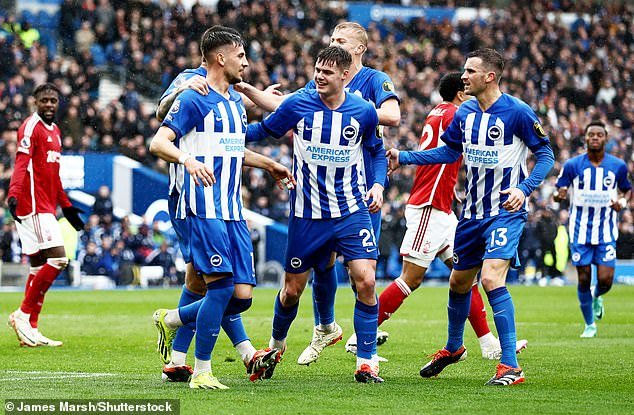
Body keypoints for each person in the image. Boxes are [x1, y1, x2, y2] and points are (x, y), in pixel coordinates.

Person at [387, 48, 555, 386]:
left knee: (492, 280)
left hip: (505, 212)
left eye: (470, 71)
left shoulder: (517, 112)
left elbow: (546, 154)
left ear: (489, 76)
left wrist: (524, 188)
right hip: (471, 215)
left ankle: (509, 366)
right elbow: (449, 151)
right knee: (459, 282)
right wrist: (404, 156)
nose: (464, 76)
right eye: (464, 71)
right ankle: (452, 347)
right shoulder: (464, 113)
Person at [237, 21, 400, 365]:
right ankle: (281, 343)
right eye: (317, 71)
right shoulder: (302, 102)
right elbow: (267, 126)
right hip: (308, 211)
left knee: (366, 279)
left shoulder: (366, 101)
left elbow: (378, 145)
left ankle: (365, 361)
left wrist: (377, 184)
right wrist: (225, 130)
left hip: (352, 208)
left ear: (346, 71)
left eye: (328, 70)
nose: (320, 76)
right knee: (294, 288)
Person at [153, 26, 294, 384]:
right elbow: (159, 137)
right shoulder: (192, 92)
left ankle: (173, 320)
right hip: (199, 203)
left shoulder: (233, 101)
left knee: (240, 295)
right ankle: (202, 368)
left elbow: (232, 150)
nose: (247, 63)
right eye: (241, 56)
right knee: (216, 285)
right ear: (221, 57)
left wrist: (271, 164)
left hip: (232, 208)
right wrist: (187, 160)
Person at [377, 72, 527, 360]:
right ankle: (363, 335)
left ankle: (488, 343)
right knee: (411, 277)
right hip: (429, 205)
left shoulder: (438, 111)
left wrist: (452, 187)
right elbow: (445, 153)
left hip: (443, 205)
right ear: (460, 93)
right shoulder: (458, 113)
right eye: (466, 85)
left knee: (464, 278)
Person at [7, 83, 85, 348]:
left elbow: (53, 176)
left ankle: (31, 328)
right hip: (33, 206)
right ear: (35, 102)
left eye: (53, 100)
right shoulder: (30, 128)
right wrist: (13, 193)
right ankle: (22, 314)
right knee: (59, 259)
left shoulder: (56, 131)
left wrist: (68, 207)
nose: (49, 104)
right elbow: (20, 164)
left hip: (47, 205)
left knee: (39, 266)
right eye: (45, 100)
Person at [554, 120, 631, 338]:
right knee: (584, 278)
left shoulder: (618, 166)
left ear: (606, 138)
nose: (595, 138)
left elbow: (626, 191)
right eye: (591, 135)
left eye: (599, 134)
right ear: (585, 138)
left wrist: (622, 203)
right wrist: (558, 195)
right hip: (579, 231)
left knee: (606, 280)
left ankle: (598, 296)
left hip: (606, 231)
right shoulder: (573, 165)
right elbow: (559, 190)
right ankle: (589, 325)